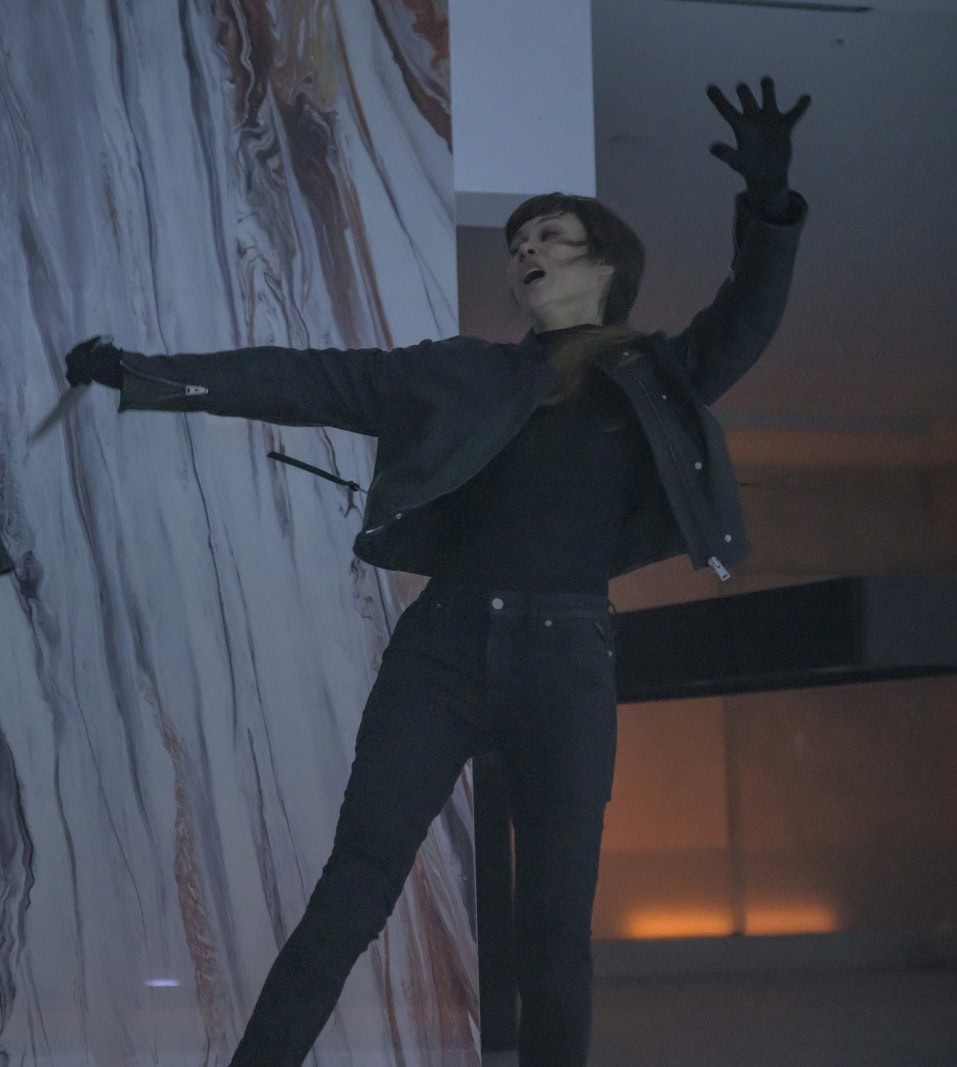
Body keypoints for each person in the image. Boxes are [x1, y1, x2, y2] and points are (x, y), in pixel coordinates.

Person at [64, 78, 810, 1066]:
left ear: (606, 265)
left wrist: (768, 205)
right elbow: (309, 379)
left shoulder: (657, 376)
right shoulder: (465, 371)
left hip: (567, 658)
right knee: (354, 888)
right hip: (442, 650)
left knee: (553, 930)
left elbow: (746, 318)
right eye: (518, 242)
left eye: (550, 236)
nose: (525, 250)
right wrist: (147, 373)